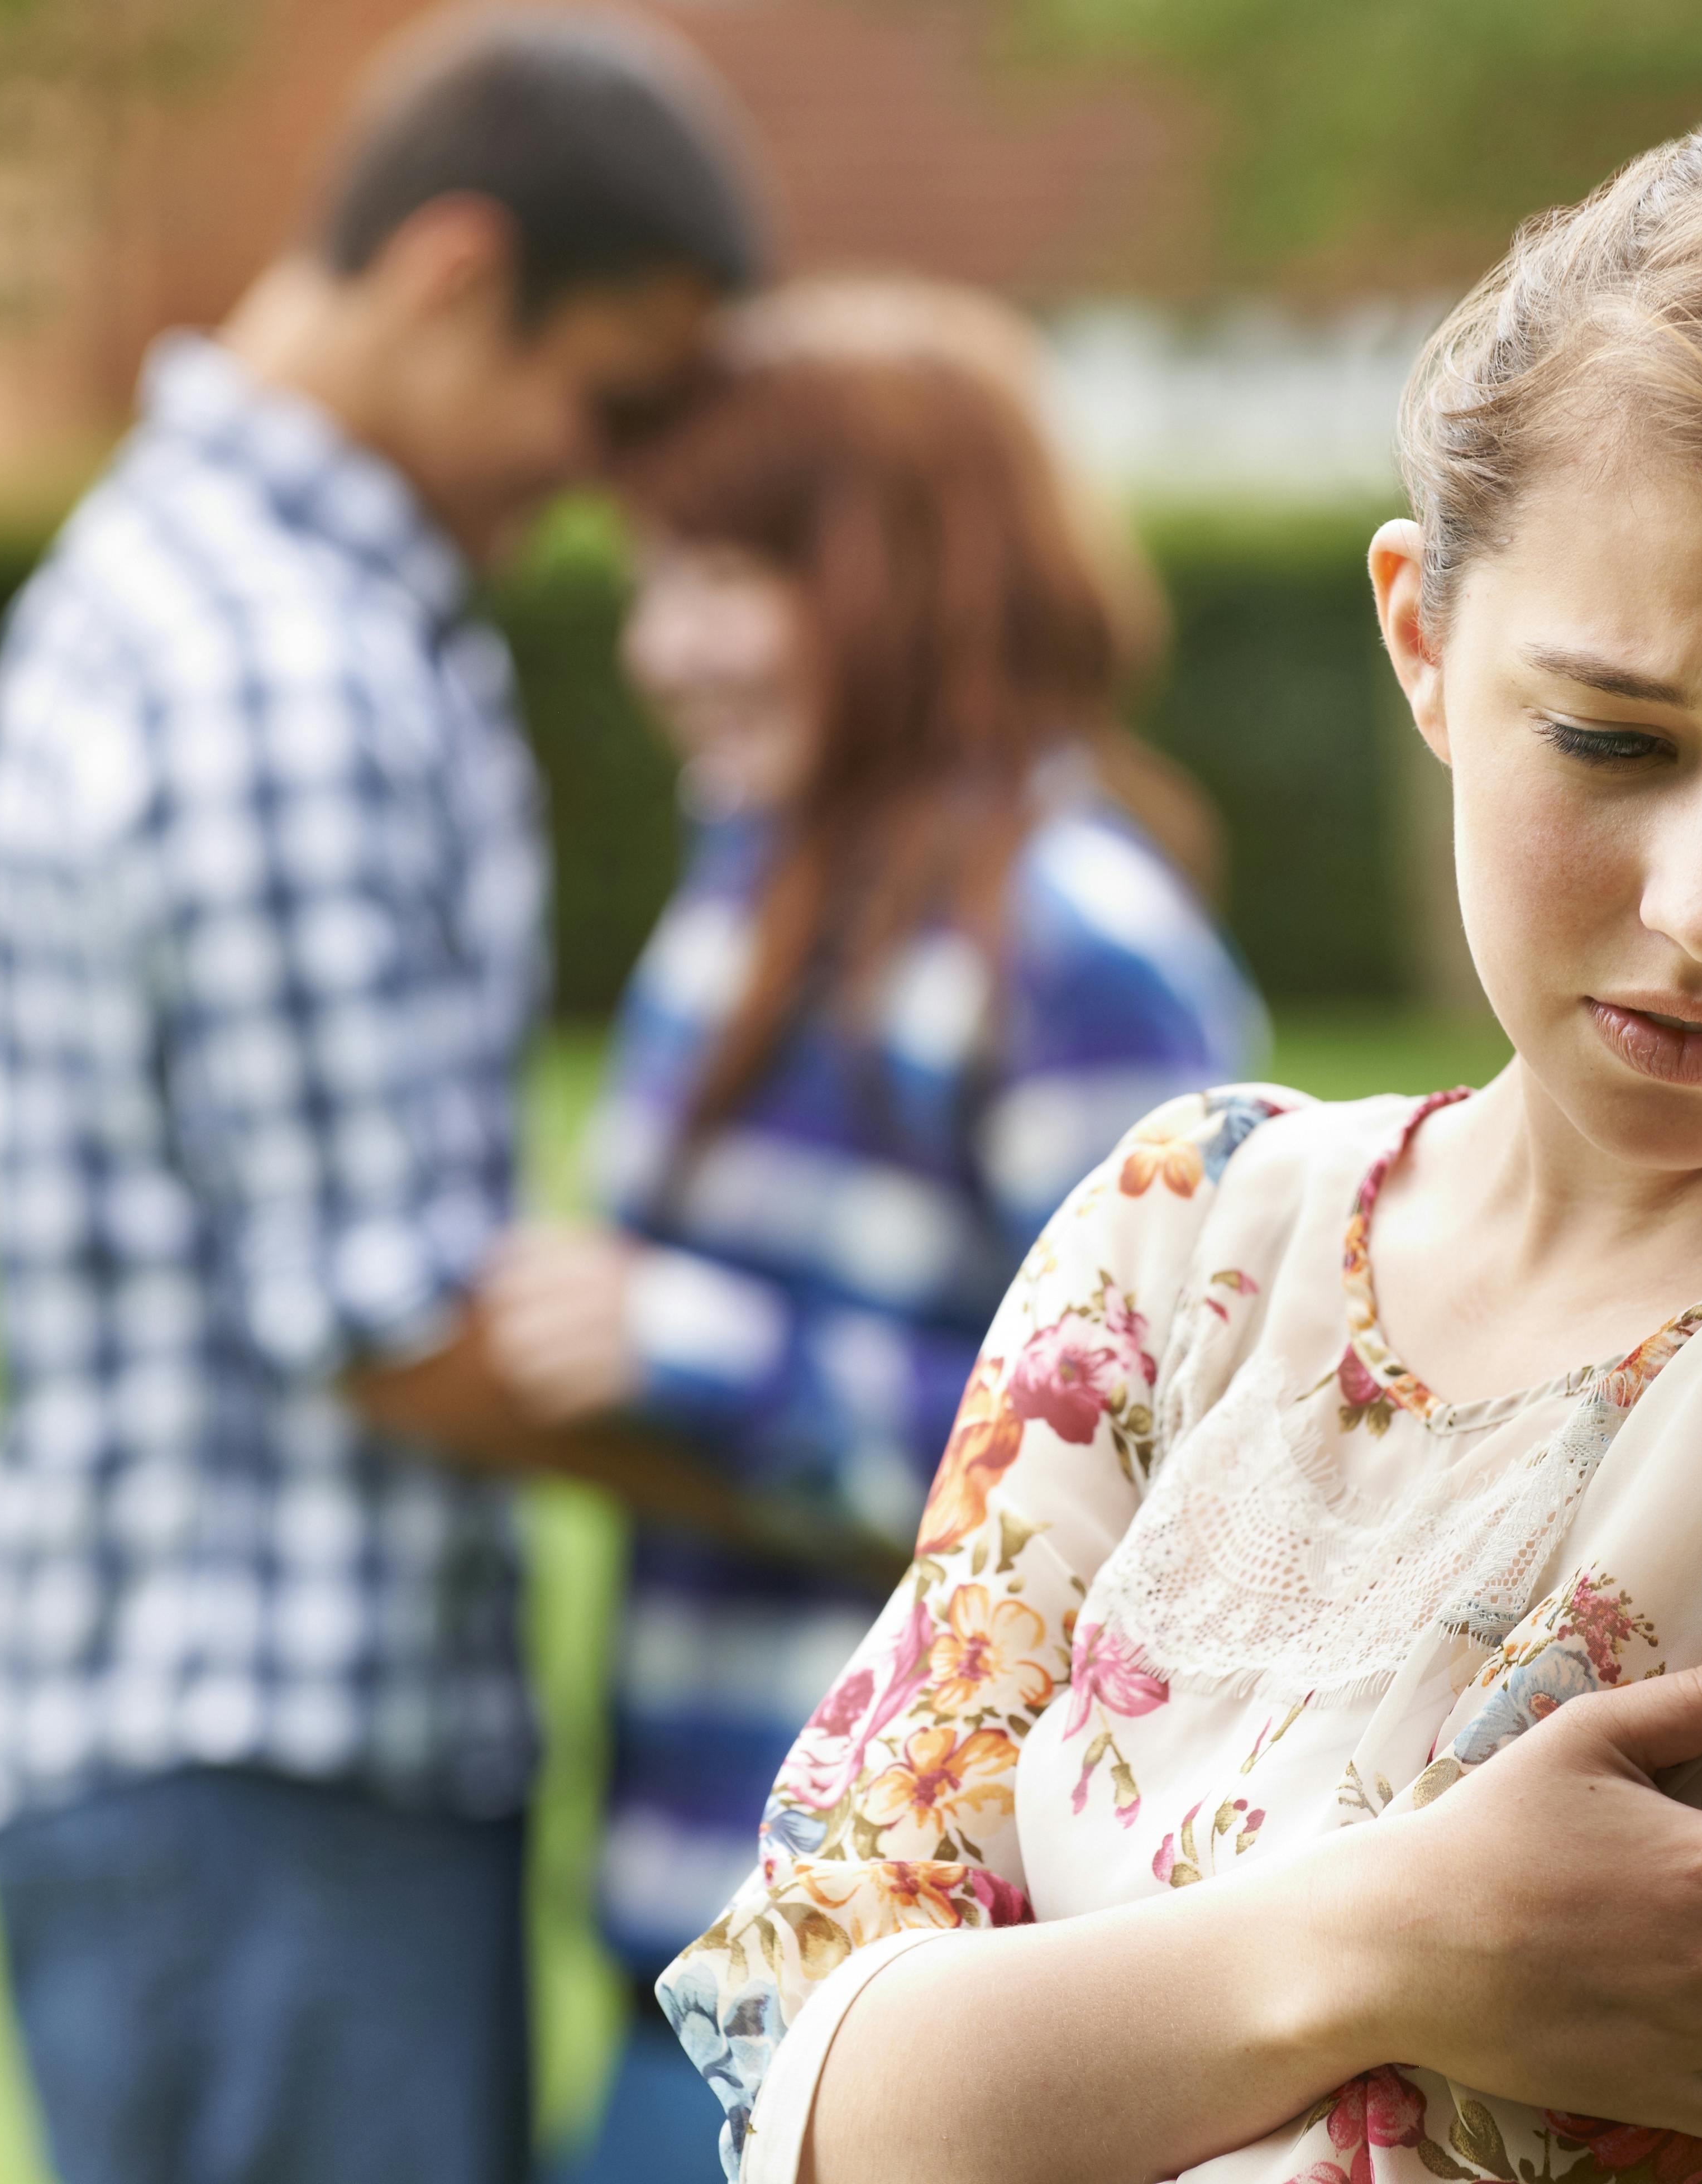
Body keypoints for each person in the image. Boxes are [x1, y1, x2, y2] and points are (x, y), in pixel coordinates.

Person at [659, 32, 1702, 2184]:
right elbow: (795, 2074)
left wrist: (1018, 2045)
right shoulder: (1189, 1230)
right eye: (1608, 739)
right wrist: (1385, 1935)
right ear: (1422, 634)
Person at [0, 14, 765, 2183]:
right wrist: (913, 1491)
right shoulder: (272, 670)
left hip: (263, 1776)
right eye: (600, 402)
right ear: (451, 274)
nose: (591, 486)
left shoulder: (280, 607)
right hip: (260, 1778)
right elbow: (397, 1328)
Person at [492, 289, 1268, 2183]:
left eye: (727, 574)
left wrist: (706, 1357)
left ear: (908, 578)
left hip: (913, 2001)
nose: (657, 645)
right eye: (652, 574)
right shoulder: (748, 895)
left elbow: (1184, 1490)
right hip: (692, 1939)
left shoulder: (1072, 950)